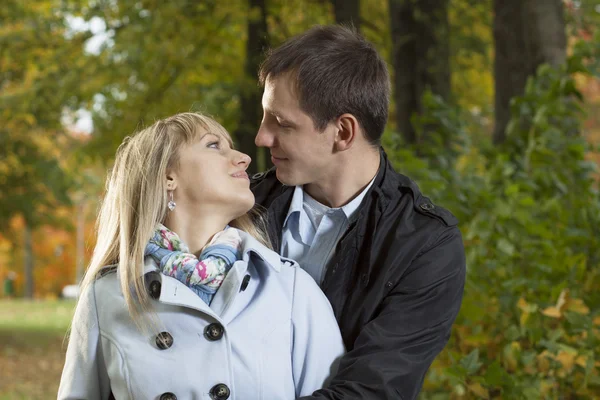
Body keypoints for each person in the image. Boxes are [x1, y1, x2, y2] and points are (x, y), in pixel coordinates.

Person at [58, 112, 345, 400]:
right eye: (213, 145)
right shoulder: (107, 295)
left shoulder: (291, 288)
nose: (244, 158)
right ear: (168, 176)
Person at [251, 25, 466, 399]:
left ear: (343, 132)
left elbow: (370, 391)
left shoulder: (425, 246)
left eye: (281, 123)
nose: (261, 137)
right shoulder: (240, 204)